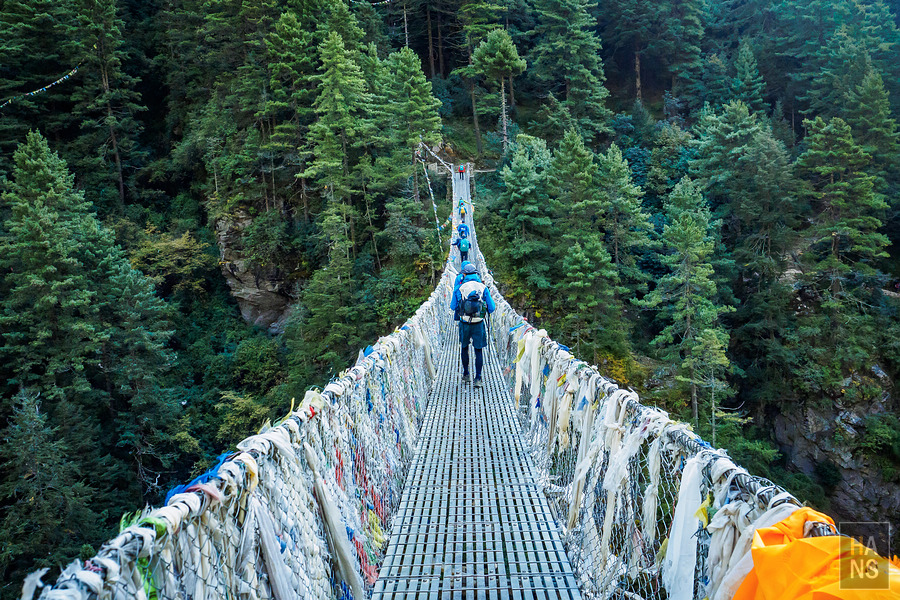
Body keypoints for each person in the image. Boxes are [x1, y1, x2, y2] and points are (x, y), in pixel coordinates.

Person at [450, 263, 496, 388]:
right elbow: (492, 308)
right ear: (476, 274)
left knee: (464, 348)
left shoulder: (459, 288)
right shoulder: (483, 287)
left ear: (463, 274)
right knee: (478, 350)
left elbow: (453, 306)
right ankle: (478, 378)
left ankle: (466, 374)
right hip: (478, 324)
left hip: (464, 323)